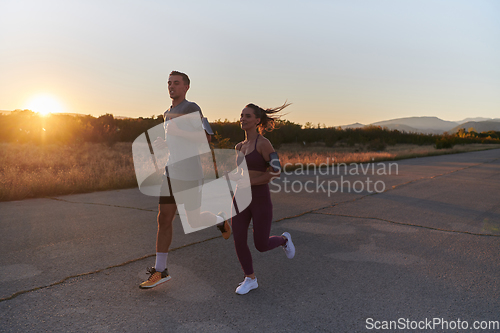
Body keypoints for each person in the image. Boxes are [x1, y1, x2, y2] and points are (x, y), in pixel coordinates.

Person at [139, 71, 230, 289]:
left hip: (190, 173)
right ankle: (161, 270)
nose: (171, 87)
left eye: (176, 83)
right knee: (164, 219)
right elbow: (176, 141)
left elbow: (206, 140)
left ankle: (219, 219)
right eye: (169, 83)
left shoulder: (191, 108)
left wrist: (178, 132)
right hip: (171, 172)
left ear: (186, 87)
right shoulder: (167, 112)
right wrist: (165, 144)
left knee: (194, 219)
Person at [230, 102, 295, 295]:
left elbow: (276, 172)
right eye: (241, 115)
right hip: (239, 198)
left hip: (259, 199)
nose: (243, 118)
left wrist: (251, 182)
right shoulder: (239, 146)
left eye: (247, 116)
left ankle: (283, 240)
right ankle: (250, 279)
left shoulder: (263, 143)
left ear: (257, 120)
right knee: (239, 239)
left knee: (261, 245)